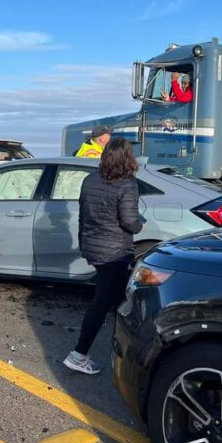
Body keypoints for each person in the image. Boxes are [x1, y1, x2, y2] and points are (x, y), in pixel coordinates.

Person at [64, 138, 144, 374]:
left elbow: (83, 216)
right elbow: (130, 222)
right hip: (115, 253)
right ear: (127, 158)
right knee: (104, 303)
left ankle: (125, 352)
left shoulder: (89, 180)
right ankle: (78, 355)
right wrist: (140, 226)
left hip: (95, 249)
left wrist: (83, 244)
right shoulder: (127, 184)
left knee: (118, 301)